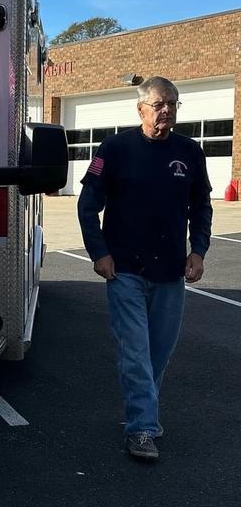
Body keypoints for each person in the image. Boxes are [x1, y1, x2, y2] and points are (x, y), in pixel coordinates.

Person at [77, 76, 212, 461]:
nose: (166, 109)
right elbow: (87, 207)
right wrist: (98, 253)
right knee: (135, 352)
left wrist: (198, 250)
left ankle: (143, 413)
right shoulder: (115, 148)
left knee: (158, 354)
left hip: (171, 273)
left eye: (172, 103)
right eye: (158, 104)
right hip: (124, 271)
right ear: (141, 109)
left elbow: (201, 208)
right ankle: (142, 429)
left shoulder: (190, 152)